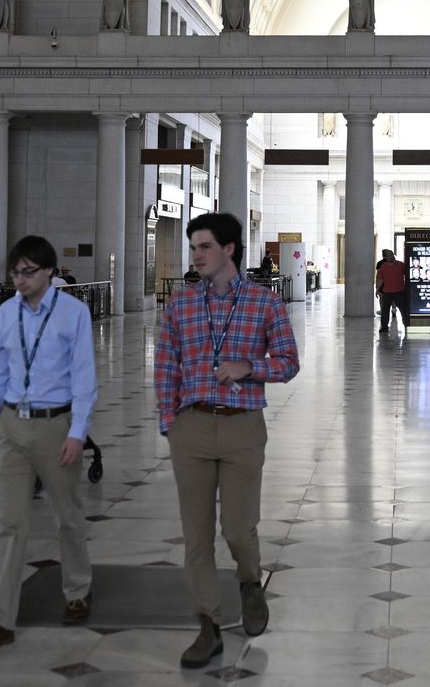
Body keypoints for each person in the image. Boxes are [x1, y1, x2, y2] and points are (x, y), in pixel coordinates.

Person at [155, 212, 301, 668]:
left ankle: (249, 581)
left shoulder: (264, 304)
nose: (196, 255)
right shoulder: (180, 305)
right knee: (196, 536)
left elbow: (288, 362)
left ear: (229, 249)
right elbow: (165, 367)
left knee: (238, 528)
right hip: (192, 426)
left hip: (242, 426)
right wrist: (170, 424)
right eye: (193, 247)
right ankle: (207, 626)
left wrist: (250, 368)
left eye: (204, 247)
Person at [0, 236, 99, 650]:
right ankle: (0, 618)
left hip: (55, 427)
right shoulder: (6, 312)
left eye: (27, 272)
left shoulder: (73, 313)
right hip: (10, 425)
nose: (19, 280)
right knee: (9, 522)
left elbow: (84, 376)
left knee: (67, 516)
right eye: (14, 272)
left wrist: (78, 433)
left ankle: (77, 590)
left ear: (49, 272)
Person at [375, 248, 407, 335]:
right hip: (386, 292)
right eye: (388, 256)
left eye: (392, 255)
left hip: (399, 291)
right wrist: (377, 290)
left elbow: (408, 275)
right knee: (385, 310)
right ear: (385, 257)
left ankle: (407, 325)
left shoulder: (401, 265)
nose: (391, 257)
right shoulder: (383, 266)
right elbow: (380, 279)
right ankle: (384, 327)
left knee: (403, 310)